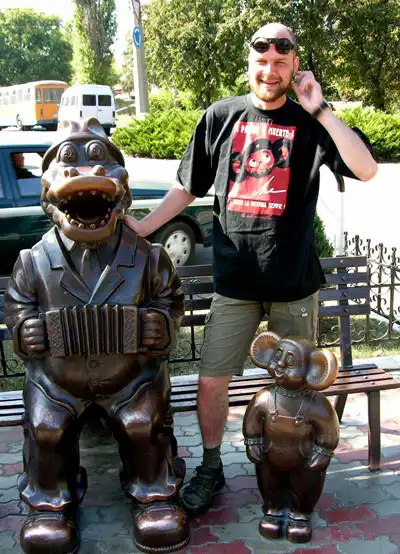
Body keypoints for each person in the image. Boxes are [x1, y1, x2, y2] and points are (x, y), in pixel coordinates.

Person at [124, 22, 378, 516]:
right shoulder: (221, 117)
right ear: (250, 64)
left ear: (294, 66)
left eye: (281, 62)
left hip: (293, 285)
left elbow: (366, 169)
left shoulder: (311, 122)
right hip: (235, 284)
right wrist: (145, 226)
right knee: (211, 380)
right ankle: (211, 466)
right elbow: (188, 186)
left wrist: (321, 110)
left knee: (295, 389)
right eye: (262, 61)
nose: (270, 70)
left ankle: (292, 472)